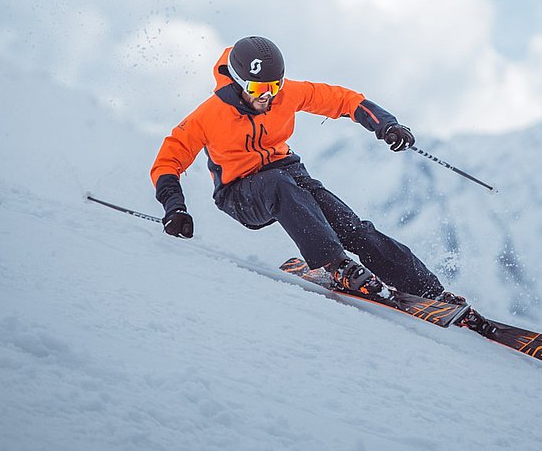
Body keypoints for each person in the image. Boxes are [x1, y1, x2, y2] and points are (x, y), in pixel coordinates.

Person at [150, 35, 463, 303]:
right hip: (240, 192)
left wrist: (385, 124)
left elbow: (342, 100)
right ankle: (336, 265)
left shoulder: (286, 95)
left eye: (274, 85)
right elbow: (168, 161)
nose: (268, 95)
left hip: (289, 174)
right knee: (277, 184)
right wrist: (174, 208)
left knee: (352, 227)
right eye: (258, 89)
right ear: (237, 82)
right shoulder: (209, 115)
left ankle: (428, 290)